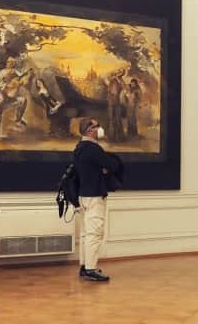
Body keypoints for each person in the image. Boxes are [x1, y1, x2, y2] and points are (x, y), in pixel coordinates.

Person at [74, 117, 119, 281]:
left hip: (82, 195)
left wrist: (102, 168)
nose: (100, 128)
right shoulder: (93, 149)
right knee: (95, 233)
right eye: (97, 126)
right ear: (89, 130)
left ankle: (84, 266)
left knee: (85, 233)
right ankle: (90, 269)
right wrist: (105, 168)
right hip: (94, 195)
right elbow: (113, 165)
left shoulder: (79, 147)